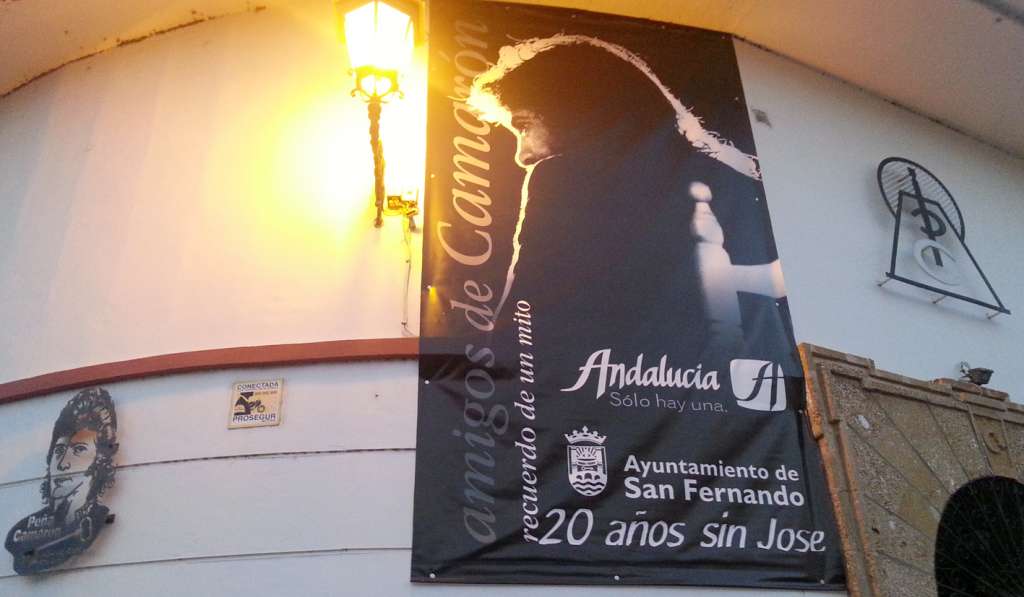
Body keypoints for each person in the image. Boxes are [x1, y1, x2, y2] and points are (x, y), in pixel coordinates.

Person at [468, 37, 774, 392]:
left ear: (576, 109)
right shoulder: (733, 183)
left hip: (593, 395)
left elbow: (515, 333)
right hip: (726, 397)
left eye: (524, 126)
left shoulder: (562, 178)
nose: (521, 155)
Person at [5, 387, 118, 574]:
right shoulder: (22, 532)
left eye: (79, 450)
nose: (62, 464)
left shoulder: (96, 521)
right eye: (58, 451)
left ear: (100, 461)